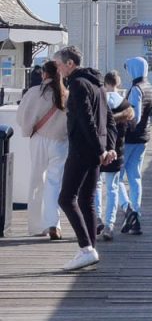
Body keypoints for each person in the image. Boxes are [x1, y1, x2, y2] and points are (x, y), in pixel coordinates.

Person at [54, 46, 115, 271]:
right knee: (86, 199)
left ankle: (86, 248)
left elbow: (86, 121)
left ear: (70, 63)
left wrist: (102, 150)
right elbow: (108, 120)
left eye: (59, 64)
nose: (58, 70)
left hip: (82, 150)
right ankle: (91, 250)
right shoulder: (97, 85)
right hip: (95, 151)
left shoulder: (78, 85)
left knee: (66, 198)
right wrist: (109, 148)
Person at [16, 60, 69, 239]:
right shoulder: (66, 94)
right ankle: (53, 223)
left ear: (44, 74)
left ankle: (36, 226)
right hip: (60, 141)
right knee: (54, 183)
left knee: (37, 180)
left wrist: (28, 128)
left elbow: (21, 117)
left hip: (39, 138)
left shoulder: (33, 92)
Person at [122, 57, 152, 235]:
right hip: (144, 137)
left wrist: (120, 120)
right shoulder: (148, 86)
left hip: (131, 138)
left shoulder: (136, 89)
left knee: (117, 178)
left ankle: (128, 209)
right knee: (135, 177)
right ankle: (137, 212)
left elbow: (135, 116)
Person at [101, 71, 134, 240]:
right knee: (112, 187)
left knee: (95, 186)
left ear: (104, 83)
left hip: (98, 150)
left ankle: (96, 219)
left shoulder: (99, 102)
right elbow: (133, 125)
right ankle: (109, 224)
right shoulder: (125, 105)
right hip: (117, 150)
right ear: (118, 83)